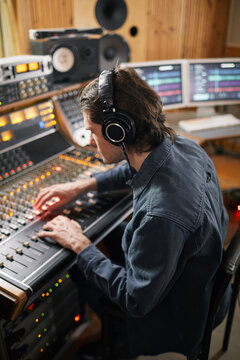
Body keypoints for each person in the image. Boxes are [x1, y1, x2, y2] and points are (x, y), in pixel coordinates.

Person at [35, 66, 230, 360]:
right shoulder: (183, 146)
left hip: (175, 314)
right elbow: (138, 168)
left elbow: (136, 299)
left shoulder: (160, 216)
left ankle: (119, 344)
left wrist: (79, 244)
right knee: (109, 233)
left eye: (92, 131)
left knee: (75, 264)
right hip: (200, 280)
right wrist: (82, 186)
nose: (90, 140)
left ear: (117, 130)